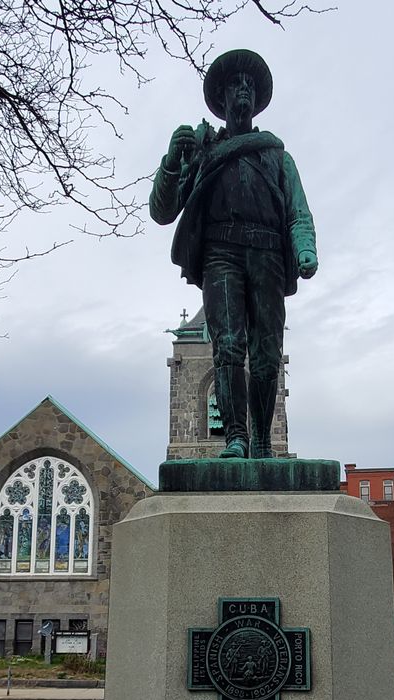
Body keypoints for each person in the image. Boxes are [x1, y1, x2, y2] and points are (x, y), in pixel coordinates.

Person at [149, 49, 317, 459]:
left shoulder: (276, 156)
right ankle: (236, 436)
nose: (242, 90)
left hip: (268, 255)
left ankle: (262, 439)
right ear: (222, 99)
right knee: (227, 346)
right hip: (220, 253)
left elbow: (298, 210)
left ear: (256, 98)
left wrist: (305, 247)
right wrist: (172, 162)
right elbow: (162, 211)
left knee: (265, 354)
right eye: (234, 85)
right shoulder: (204, 150)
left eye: (249, 85)